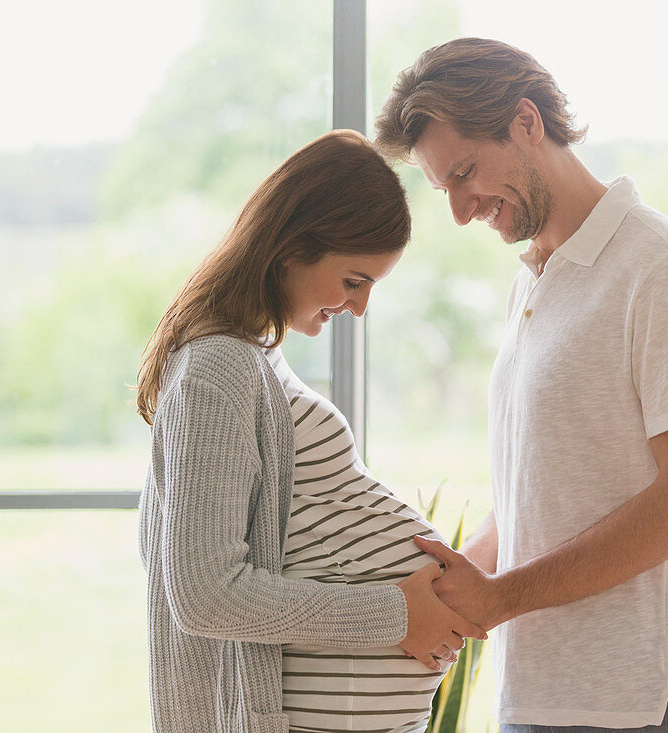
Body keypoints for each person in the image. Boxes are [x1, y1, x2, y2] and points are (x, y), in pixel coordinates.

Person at [374, 37, 668, 733]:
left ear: (527, 123)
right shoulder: (531, 283)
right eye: (442, 186)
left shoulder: (659, 266)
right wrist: (450, 588)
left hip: (636, 707)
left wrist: (501, 597)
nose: (457, 210)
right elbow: (538, 498)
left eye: (465, 173)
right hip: (536, 699)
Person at [135, 129, 486, 733]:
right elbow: (204, 594)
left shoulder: (253, 357)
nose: (360, 307)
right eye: (353, 281)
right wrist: (396, 615)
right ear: (292, 247)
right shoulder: (218, 368)